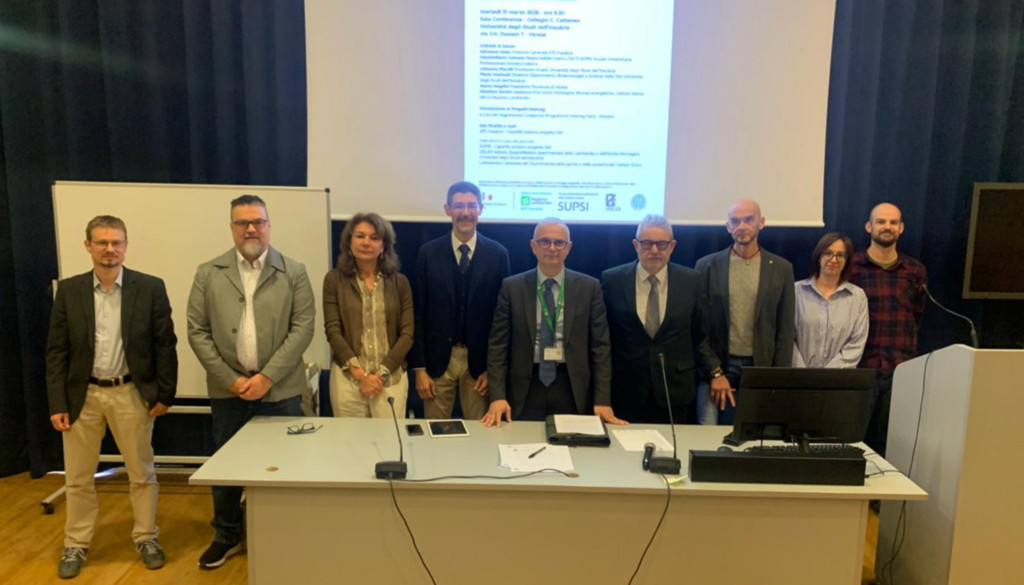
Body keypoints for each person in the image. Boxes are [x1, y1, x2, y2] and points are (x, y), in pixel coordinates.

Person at [187, 194, 315, 569]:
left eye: (258, 221)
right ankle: (226, 535)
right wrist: (231, 380)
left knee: (283, 465)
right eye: (242, 222)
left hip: (281, 390)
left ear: (269, 226)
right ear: (231, 228)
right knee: (226, 465)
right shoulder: (208, 272)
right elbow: (197, 331)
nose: (251, 229)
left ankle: (281, 532)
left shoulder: (294, 271)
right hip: (229, 391)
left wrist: (267, 377)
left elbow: (303, 328)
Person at [45, 215, 177, 579]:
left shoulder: (149, 287)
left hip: (131, 393)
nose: (110, 249)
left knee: (141, 473)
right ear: (88, 246)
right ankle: (76, 543)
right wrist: (57, 403)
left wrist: (165, 393)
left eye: (116, 242)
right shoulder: (69, 290)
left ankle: (147, 537)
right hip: (82, 396)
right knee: (78, 477)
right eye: (102, 242)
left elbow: (165, 344)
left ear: (126, 245)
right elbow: (56, 351)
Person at [483, 218, 624, 427]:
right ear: (533, 246)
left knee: (572, 444)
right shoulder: (512, 287)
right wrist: (497, 396)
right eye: (544, 241)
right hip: (525, 385)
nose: (552, 248)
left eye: (559, 242)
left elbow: (600, 348)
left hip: (571, 386)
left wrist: (602, 399)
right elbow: (498, 346)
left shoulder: (589, 287)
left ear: (568, 248)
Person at [601, 214, 720, 424]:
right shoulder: (612, 280)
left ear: (672, 246)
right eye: (647, 243)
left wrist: (714, 371)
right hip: (626, 390)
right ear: (636, 245)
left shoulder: (691, 281)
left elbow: (699, 333)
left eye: (661, 244)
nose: (654, 250)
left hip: (675, 390)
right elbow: (604, 336)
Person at [408, 181, 510, 420]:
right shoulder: (428, 253)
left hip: (480, 368)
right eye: (459, 206)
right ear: (447, 209)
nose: (466, 212)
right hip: (436, 365)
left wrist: (493, 371)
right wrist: (420, 370)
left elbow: (503, 319)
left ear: (481, 209)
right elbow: (418, 313)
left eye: (472, 206)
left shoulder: (498, 254)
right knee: (435, 432)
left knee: (482, 432)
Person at [694, 199, 795, 425]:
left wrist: (778, 379)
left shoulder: (782, 268)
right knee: (708, 435)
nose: (742, 226)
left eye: (748, 220)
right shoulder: (707, 266)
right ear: (728, 226)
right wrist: (714, 372)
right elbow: (698, 328)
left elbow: (785, 329)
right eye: (735, 221)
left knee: (755, 435)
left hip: (761, 369)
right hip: (717, 367)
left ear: (761, 222)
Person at [848, 203, 927, 456]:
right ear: (868, 226)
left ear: (901, 228)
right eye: (881, 221)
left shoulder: (915, 270)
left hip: (900, 369)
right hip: (860, 367)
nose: (887, 227)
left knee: (892, 444)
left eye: (893, 222)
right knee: (853, 439)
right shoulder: (852, 267)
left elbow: (917, 315)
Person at [323, 212, 413, 418]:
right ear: (349, 242)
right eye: (360, 236)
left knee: (388, 438)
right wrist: (360, 375)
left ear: (383, 246)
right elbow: (333, 330)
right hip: (348, 382)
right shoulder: (333, 280)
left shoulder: (400, 283)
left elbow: (407, 334)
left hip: (390, 382)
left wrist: (380, 375)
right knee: (349, 439)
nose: (366, 243)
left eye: (374, 238)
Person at [793, 232, 869, 369]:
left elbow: (857, 342)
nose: (833, 260)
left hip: (839, 378)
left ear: (846, 261)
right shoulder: (796, 291)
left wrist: (828, 375)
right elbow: (787, 338)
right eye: (828, 253)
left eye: (840, 255)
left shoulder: (857, 297)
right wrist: (803, 373)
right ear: (819, 256)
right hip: (797, 377)